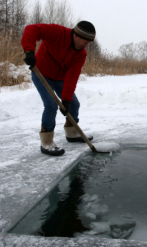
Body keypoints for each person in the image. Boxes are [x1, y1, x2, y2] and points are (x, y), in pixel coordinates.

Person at [21, 21, 95, 156]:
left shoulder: (81, 54)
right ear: (76, 35)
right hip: (41, 74)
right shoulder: (57, 33)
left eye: (88, 44)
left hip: (60, 79)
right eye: (85, 42)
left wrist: (66, 99)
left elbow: (72, 76)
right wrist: (29, 50)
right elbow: (31, 29)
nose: (85, 46)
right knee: (51, 105)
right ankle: (47, 141)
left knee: (73, 103)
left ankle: (72, 133)